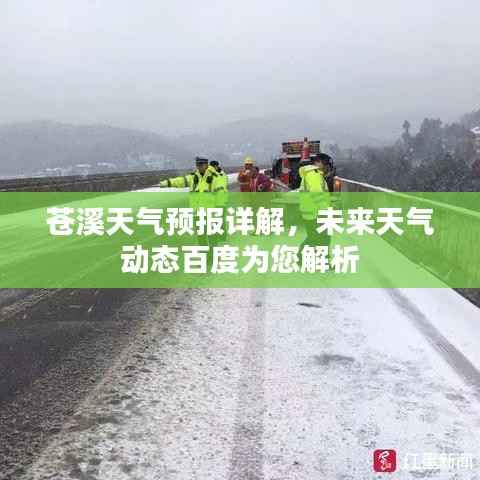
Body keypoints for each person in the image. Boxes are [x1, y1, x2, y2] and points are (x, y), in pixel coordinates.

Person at [298, 154, 331, 252]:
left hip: (310, 211)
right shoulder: (314, 174)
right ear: (318, 162)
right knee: (322, 238)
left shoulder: (312, 174)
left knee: (314, 237)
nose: (326, 167)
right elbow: (316, 194)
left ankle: (302, 256)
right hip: (316, 212)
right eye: (325, 164)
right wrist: (325, 209)